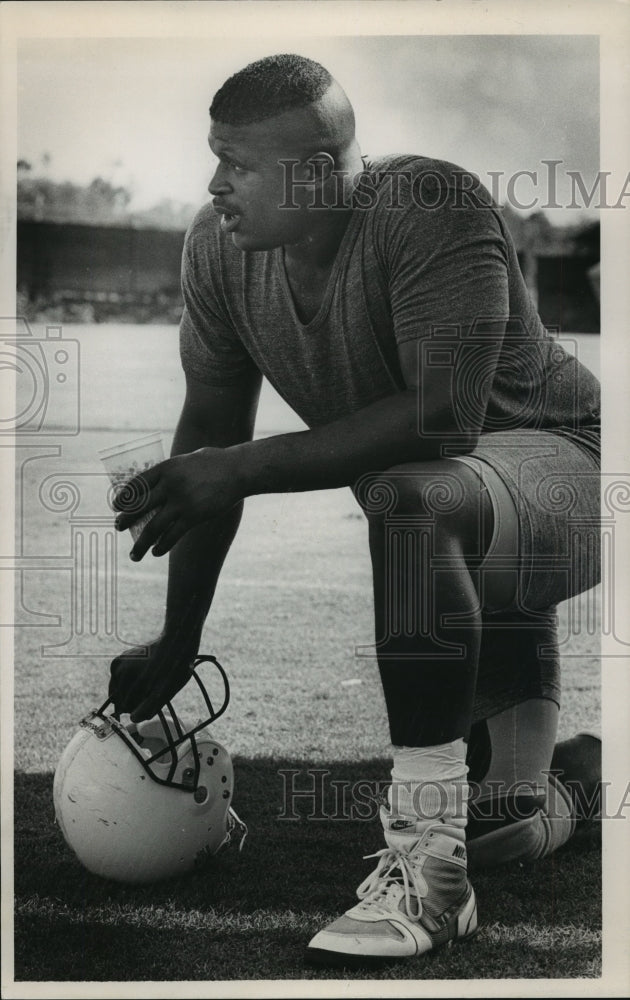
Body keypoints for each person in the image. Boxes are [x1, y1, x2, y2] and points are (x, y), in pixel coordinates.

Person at [109, 54, 601, 966]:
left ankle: (427, 870)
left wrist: (239, 470)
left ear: (322, 169)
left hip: (559, 473)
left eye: (239, 164)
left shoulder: (431, 207)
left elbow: (443, 417)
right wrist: (178, 638)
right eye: (214, 156)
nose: (216, 183)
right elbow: (212, 435)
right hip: (456, 525)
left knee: (411, 499)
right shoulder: (217, 248)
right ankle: (575, 781)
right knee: (509, 830)